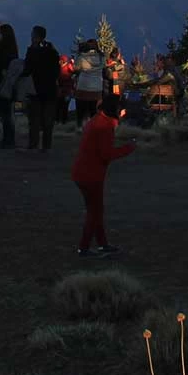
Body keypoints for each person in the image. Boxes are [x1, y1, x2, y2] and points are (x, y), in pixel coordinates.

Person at [71, 95, 136, 257]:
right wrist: (129, 148)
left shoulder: (97, 120)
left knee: (95, 210)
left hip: (83, 172)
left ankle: (102, 244)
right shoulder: (105, 126)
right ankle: (84, 247)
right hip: (91, 175)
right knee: (95, 212)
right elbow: (106, 154)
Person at [22, 26, 61, 151]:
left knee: (34, 119)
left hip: (35, 89)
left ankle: (33, 144)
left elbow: (27, 69)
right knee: (48, 121)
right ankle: (46, 145)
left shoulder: (32, 52)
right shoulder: (52, 52)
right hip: (50, 89)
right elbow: (57, 70)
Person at [0, 23, 19, 149]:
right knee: (8, 113)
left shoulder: (3, 50)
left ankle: (8, 140)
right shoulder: (13, 49)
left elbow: (2, 68)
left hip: (3, 84)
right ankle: (8, 139)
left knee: (6, 114)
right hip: (10, 86)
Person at [74, 39, 104, 131]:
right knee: (93, 110)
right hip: (97, 87)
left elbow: (76, 68)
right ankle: (93, 128)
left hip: (83, 85)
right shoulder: (101, 57)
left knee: (81, 108)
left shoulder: (82, 57)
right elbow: (104, 67)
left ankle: (80, 126)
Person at [57, 55, 76, 124]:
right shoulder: (59, 67)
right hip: (60, 89)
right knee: (59, 105)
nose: (59, 61)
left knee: (65, 106)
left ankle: (63, 120)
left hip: (67, 89)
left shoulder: (68, 66)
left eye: (60, 60)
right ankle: (58, 119)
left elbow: (74, 71)